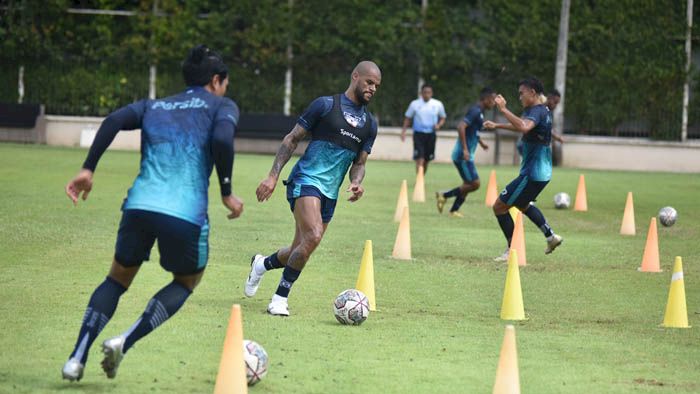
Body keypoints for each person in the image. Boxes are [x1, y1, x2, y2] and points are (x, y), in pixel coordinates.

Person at [61, 45, 243, 382]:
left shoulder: (155, 105)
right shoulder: (222, 106)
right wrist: (227, 191)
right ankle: (124, 341)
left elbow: (114, 119)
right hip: (185, 213)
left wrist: (88, 169)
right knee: (186, 281)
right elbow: (221, 137)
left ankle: (76, 357)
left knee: (117, 278)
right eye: (225, 83)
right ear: (217, 81)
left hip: (139, 205)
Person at [247, 61, 381, 317]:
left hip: (329, 193)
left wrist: (356, 182)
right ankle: (279, 299)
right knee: (314, 236)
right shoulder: (326, 105)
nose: (372, 88)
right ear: (355, 76)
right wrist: (273, 176)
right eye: (369, 82)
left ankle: (262, 264)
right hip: (305, 181)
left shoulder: (369, 125)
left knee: (301, 248)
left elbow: (359, 163)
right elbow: (292, 139)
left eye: (376, 86)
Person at [483, 77, 563, 261]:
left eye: (522, 93)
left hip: (532, 174)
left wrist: (503, 109)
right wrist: (498, 125)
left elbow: (524, 126)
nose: (519, 97)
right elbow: (523, 127)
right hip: (541, 172)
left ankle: (512, 250)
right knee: (522, 204)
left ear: (532, 92)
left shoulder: (536, 111)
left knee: (499, 206)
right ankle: (551, 237)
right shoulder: (542, 110)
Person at [436, 87, 496, 218]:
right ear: (485, 99)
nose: (494, 103)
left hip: (467, 154)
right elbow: (461, 126)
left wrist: (481, 143)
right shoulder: (475, 111)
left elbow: (472, 131)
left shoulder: (480, 112)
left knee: (468, 184)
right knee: (475, 184)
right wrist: (465, 149)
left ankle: (454, 210)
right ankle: (444, 195)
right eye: (492, 100)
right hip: (463, 155)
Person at [400, 84, 446, 174]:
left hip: (431, 134)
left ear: (431, 93)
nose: (426, 95)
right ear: (421, 93)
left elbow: (443, 117)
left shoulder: (437, 104)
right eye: (424, 92)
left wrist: (439, 125)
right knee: (419, 158)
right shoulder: (415, 104)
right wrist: (403, 131)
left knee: (426, 160)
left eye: (428, 92)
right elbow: (408, 118)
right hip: (418, 134)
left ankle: (421, 178)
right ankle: (419, 180)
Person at [516, 89, 564, 156]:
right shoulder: (538, 108)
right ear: (549, 98)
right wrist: (558, 138)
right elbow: (523, 122)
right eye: (555, 102)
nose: (555, 106)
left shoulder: (548, 112)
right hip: (528, 144)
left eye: (557, 103)